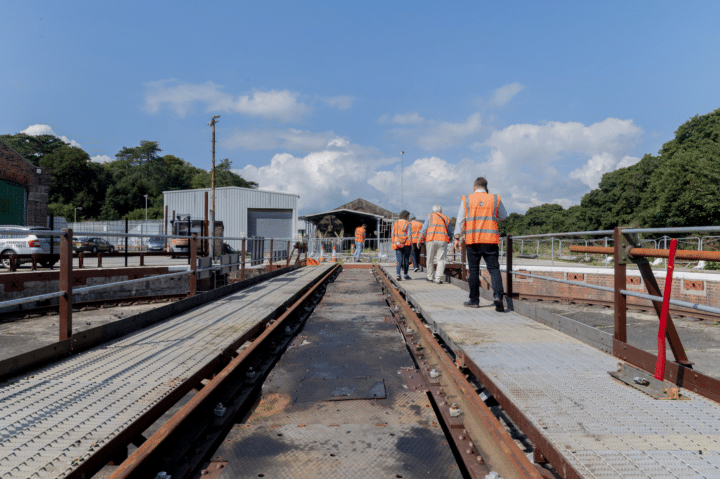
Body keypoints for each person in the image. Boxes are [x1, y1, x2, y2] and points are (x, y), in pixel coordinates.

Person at [454, 177, 508, 312]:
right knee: (494, 269)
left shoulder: (467, 199)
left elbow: (460, 220)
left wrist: (456, 237)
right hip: (490, 240)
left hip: (472, 241)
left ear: (474, 187)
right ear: (486, 187)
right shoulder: (495, 198)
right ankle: (498, 297)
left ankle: (474, 300)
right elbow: (504, 216)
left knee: (473, 270)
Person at [419, 204, 453, 283]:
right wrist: (451, 238)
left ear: (432, 211)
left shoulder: (429, 217)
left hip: (431, 240)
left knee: (430, 259)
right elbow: (451, 231)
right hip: (442, 240)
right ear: (441, 211)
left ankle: (430, 277)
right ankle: (438, 279)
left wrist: (418, 240)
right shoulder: (446, 218)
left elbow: (423, 229)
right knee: (441, 260)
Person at [392, 210, 412, 281]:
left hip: (398, 243)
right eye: (408, 216)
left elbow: (393, 234)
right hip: (406, 244)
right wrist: (411, 244)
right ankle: (405, 275)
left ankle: (398, 275)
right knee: (406, 259)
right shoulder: (408, 223)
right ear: (406, 216)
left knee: (399, 260)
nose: (409, 217)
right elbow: (409, 235)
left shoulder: (396, 223)